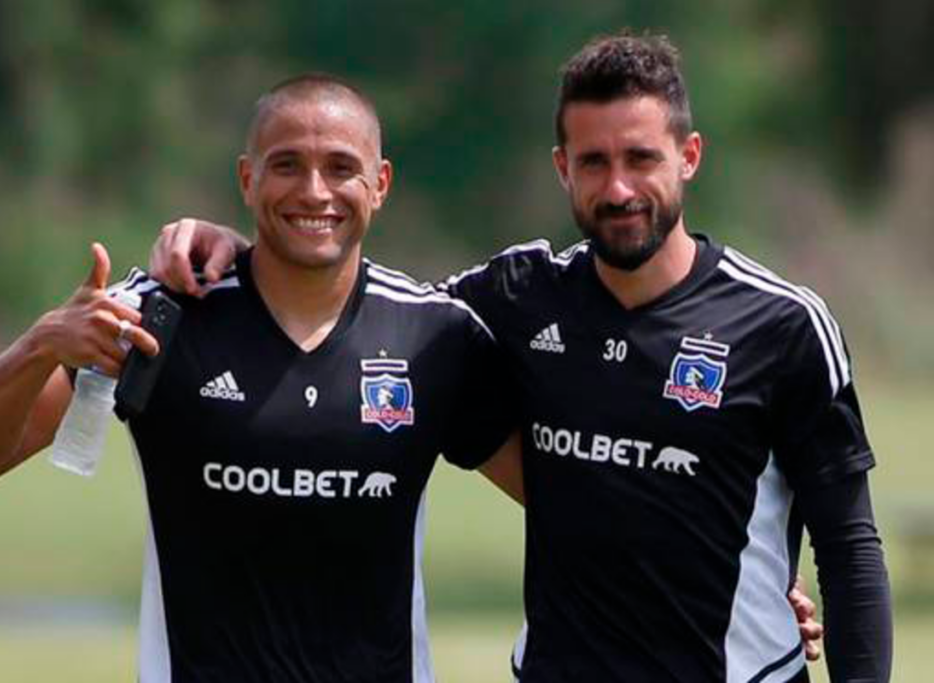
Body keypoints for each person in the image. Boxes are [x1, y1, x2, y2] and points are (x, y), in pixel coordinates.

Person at [150, 34, 891, 682]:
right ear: (563, 167)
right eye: (594, 162)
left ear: (689, 157)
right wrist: (245, 247)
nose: (619, 187)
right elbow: (363, 310)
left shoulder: (783, 324)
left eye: (641, 158)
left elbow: (850, 546)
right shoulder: (513, 296)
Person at [0, 75, 523, 683]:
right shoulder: (159, 315)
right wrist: (41, 343)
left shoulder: (433, 335)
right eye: (287, 165)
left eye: (340, 167)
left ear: (380, 184)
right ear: (248, 179)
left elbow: (571, 500)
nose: (314, 190)